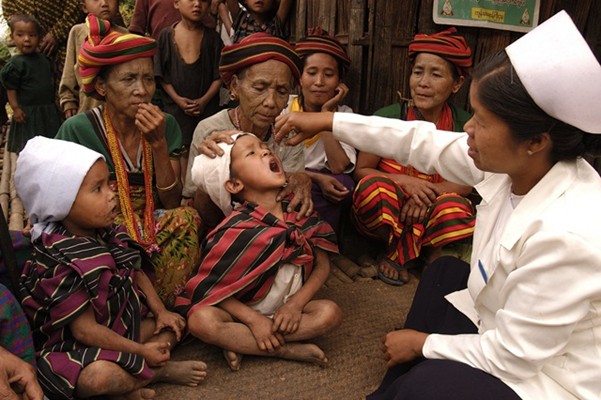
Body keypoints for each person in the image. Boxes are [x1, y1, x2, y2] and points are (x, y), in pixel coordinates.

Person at [274, 10, 601, 399]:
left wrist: (423, 343)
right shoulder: (521, 164)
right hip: (501, 326)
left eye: (481, 119)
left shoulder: (568, 235)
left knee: (427, 385)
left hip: (546, 377)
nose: (468, 128)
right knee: (444, 273)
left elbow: (513, 357)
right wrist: (329, 123)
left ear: (535, 140)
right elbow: (421, 141)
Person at [14, 137, 207, 400]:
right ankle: (155, 371)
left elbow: (135, 268)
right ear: (61, 202)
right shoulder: (57, 259)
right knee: (97, 378)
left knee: (172, 327)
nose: (111, 194)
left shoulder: (106, 231)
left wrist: (161, 311)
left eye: (108, 184)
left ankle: (130, 381)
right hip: (78, 348)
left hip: (122, 330)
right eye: (97, 189)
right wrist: (142, 352)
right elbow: (85, 332)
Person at [56, 15, 201, 309]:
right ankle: (141, 311)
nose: (142, 89)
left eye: (148, 79)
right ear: (101, 88)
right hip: (103, 228)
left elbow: (171, 202)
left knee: (187, 219)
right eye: (128, 79)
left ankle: (159, 307)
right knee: (107, 239)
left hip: (150, 223)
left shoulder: (166, 124)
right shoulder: (77, 130)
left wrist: (158, 144)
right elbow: (60, 203)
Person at [175, 133, 342, 370]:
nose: (265, 151)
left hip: (289, 311)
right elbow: (209, 288)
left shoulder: (299, 211)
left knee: (330, 313)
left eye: (264, 147)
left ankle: (241, 343)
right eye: (251, 153)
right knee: (201, 321)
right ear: (234, 184)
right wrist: (253, 320)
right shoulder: (235, 228)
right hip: (242, 314)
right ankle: (284, 350)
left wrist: (295, 304)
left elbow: (323, 265)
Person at [352, 28, 475, 285]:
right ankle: (420, 251)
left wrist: (427, 194)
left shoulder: (465, 126)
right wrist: (405, 183)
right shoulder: (387, 118)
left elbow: (467, 181)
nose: (423, 82)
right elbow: (362, 170)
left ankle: (403, 253)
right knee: (372, 189)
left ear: (457, 84)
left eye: (436, 74)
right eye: (418, 72)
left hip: (433, 205)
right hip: (391, 210)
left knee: (456, 208)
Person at [182, 32, 311, 237]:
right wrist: (209, 171)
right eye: (259, 88)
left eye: (281, 91)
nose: (270, 101)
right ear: (234, 87)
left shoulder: (288, 135)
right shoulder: (211, 131)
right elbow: (196, 209)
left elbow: (289, 198)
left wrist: (302, 179)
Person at [287, 27, 356, 234]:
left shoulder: (344, 115)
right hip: (287, 177)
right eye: (311, 73)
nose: (319, 82)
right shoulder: (284, 108)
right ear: (299, 78)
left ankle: (323, 242)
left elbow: (338, 166)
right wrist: (313, 177)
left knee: (343, 183)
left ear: (339, 83)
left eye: (328, 74)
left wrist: (327, 116)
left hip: (325, 187)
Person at [154, 0, 224, 178]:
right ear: (176, 3)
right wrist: (177, 99)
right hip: (175, 107)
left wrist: (204, 100)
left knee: (206, 149)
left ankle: (199, 194)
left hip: (206, 108)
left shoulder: (213, 39)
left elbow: (220, 76)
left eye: (203, 1)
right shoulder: (165, 37)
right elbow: (161, 75)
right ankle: (181, 196)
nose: (197, 4)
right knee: (179, 150)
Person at [0, 14, 61, 153]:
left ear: (39, 37)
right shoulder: (16, 64)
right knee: (28, 147)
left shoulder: (45, 59)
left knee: (49, 145)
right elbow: (11, 88)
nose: (26, 39)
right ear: (12, 37)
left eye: (32, 35)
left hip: (47, 111)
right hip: (27, 113)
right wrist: (15, 108)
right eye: (20, 35)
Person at [58, 0, 126, 119]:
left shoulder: (125, 35)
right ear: (84, 7)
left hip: (120, 107)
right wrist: (68, 100)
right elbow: (69, 71)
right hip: (88, 105)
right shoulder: (78, 32)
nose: (104, 3)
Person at [1, 0, 85, 87]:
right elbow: (12, 17)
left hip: (68, 46)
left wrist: (56, 33)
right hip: (32, 53)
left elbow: (76, 6)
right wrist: (32, 38)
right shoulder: (17, 65)